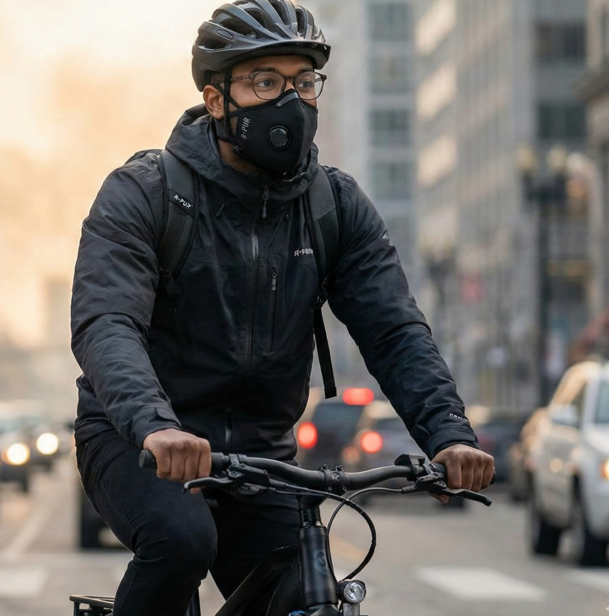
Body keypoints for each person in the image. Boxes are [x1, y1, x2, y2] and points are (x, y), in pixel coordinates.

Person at [69, 2, 495, 614]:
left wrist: (448, 436)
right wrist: (156, 425)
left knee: (303, 588)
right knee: (182, 540)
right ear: (216, 100)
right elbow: (107, 323)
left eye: (302, 82)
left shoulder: (335, 205)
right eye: (264, 82)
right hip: (139, 441)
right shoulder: (146, 192)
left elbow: (394, 330)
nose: (289, 101)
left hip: (264, 454)